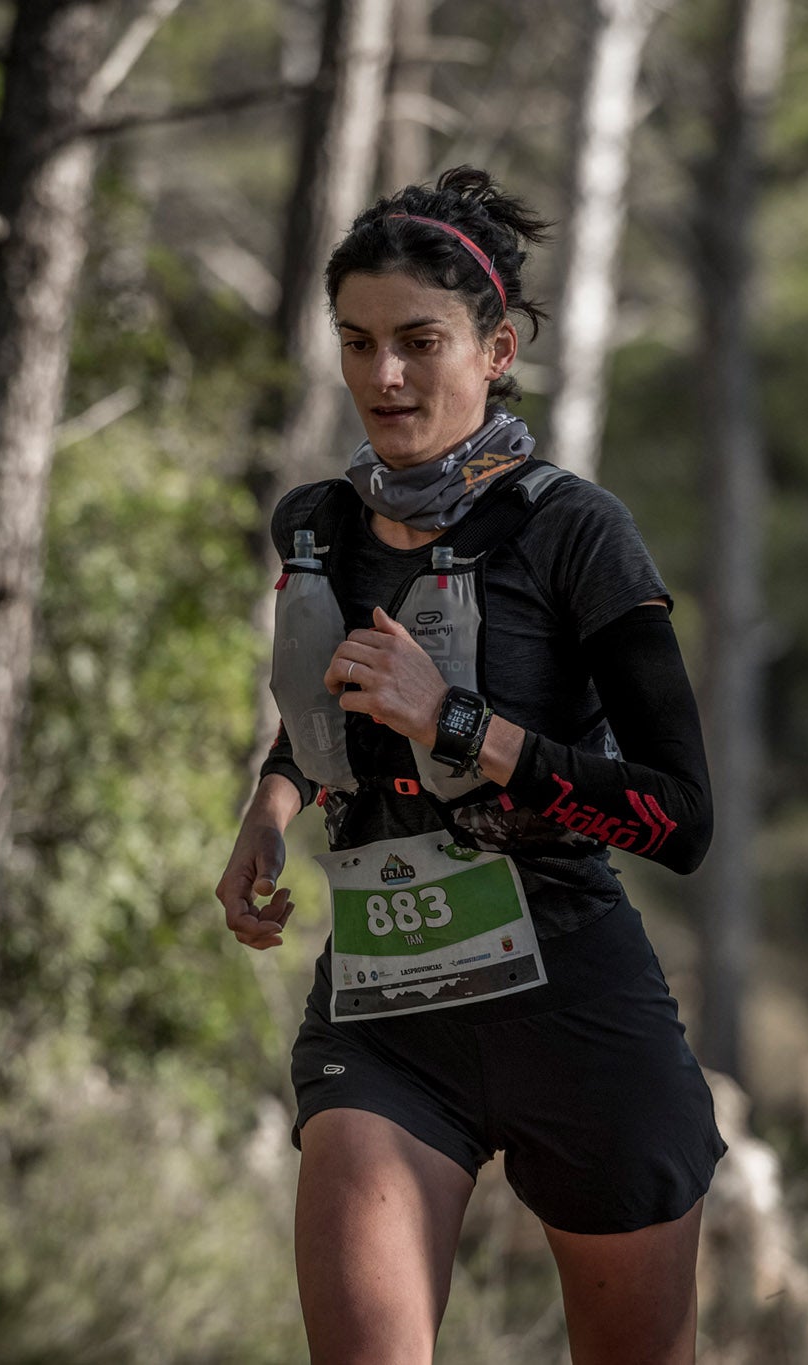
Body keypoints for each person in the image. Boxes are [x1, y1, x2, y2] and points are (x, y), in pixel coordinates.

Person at [215, 166, 727, 1365]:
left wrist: (460, 726)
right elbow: (331, 709)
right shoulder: (317, 526)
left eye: (418, 342)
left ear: (497, 348)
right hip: (389, 1020)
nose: (381, 377)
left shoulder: (573, 530)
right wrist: (272, 798)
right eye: (355, 342)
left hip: (575, 1010)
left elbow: (679, 817)